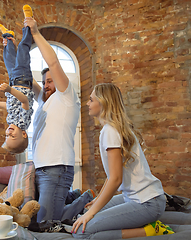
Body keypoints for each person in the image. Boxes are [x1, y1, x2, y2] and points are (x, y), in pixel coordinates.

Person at [71, 83, 174, 239]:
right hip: (140, 199)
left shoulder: (110, 131)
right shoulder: (111, 129)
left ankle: (152, 230)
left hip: (147, 203)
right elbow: (112, 176)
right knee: (87, 212)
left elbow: (116, 179)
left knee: (81, 232)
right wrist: (97, 201)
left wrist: (92, 213)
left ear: (103, 102)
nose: (87, 104)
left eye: (91, 100)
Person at [23, 15, 91, 222]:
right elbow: (25, 75)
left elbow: (52, 61)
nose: (46, 85)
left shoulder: (66, 96)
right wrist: (12, 48)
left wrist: (35, 32)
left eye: (51, 81)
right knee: (38, 218)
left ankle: (86, 198)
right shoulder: (44, 101)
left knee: (46, 222)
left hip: (57, 168)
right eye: (44, 82)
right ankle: (74, 196)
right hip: (41, 168)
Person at [0, 5, 35, 154]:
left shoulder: (11, 121)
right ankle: (28, 23)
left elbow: (10, 106)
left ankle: (8, 37)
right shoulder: (24, 122)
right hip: (23, 80)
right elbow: (24, 101)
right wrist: (9, 90)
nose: (9, 133)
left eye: (6, 136)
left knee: (8, 59)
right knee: (24, 50)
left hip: (14, 81)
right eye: (12, 137)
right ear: (23, 134)